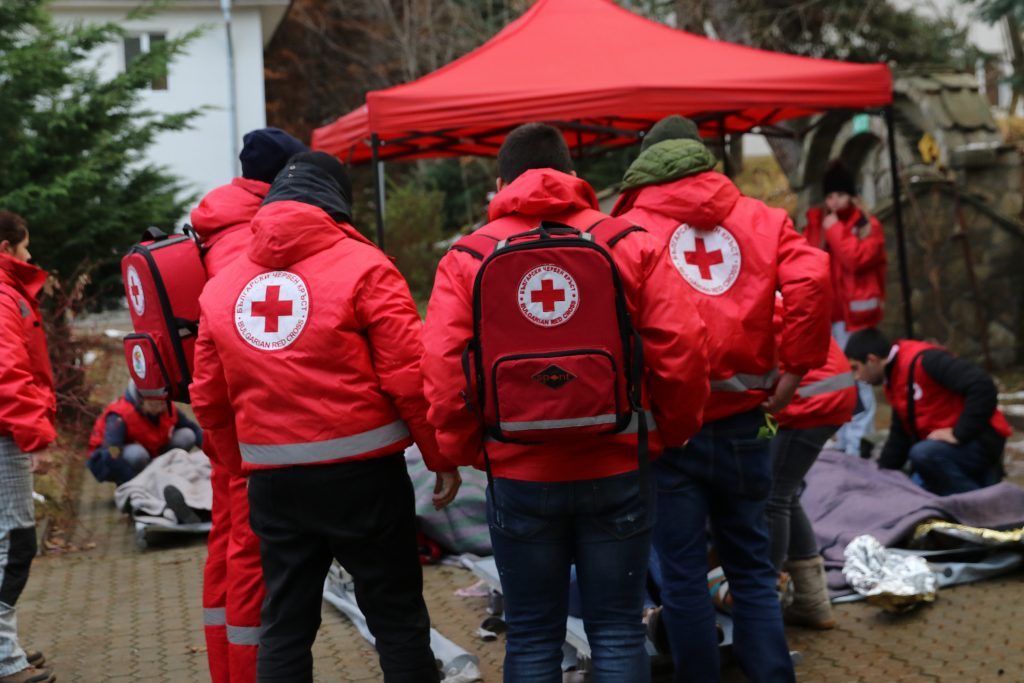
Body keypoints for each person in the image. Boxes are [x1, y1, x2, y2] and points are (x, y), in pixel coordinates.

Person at [423, 123, 710, 682]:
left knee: (531, 636)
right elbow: (683, 347)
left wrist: (460, 451)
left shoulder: (467, 256)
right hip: (619, 460)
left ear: (499, 182)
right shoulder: (628, 242)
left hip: (518, 470)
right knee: (618, 630)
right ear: (573, 177)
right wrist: (672, 431)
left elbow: (439, 368)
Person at [191, 151, 460, 683]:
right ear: (338, 206)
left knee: (285, 625)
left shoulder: (221, 287)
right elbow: (409, 378)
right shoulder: (365, 267)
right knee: (397, 617)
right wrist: (441, 455)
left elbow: (209, 399)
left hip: (274, 485)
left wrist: (240, 464)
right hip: (364, 480)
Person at [612, 115, 831, 683]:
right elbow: (812, 278)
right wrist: (794, 371)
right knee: (753, 571)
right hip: (746, 427)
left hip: (669, 431)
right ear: (703, 158)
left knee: (683, 578)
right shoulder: (762, 218)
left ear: (646, 163)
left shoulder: (628, 229)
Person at [190, 126, 306, 683]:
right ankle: (247, 671)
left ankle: (228, 669)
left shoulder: (216, 221)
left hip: (221, 420)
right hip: (247, 422)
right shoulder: (249, 235)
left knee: (226, 547)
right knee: (249, 554)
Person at [845, 328, 1012, 496]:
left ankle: (979, 505)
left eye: (855, 368)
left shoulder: (924, 360)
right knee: (914, 488)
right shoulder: (894, 377)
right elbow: (901, 433)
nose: (856, 377)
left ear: (872, 359)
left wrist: (959, 433)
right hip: (946, 449)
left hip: (978, 439)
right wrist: (879, 476)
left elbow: (982, 386)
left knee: (922, 454)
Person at [767, 325, 857, 630]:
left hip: (809, 399)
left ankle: (763, 603)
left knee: (772, 497)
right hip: (825, 392)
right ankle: (811, 601)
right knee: (784, 494)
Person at [0, 211, 56, 683]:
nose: (29, 255)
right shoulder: (1, 298)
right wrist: (35, 434)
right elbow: (8, 373)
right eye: (24, 247)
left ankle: (5, 644)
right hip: (6, 434)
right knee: (14, 543)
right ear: (5, 250)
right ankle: (2, 658)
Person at [804, 161, 886, 458]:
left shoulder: (866, 226)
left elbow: (856, 259)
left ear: (851, 195)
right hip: (829, 317)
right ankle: (841, 438)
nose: (833, 201)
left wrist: (835, 230)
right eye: (829, 196)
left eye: (839, 194)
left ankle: (859, 444)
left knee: (859, 380)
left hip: (856, 319)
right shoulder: (818, 224)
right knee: (836, 379)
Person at [85, 382, 202, 485]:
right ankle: (132, 480)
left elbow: (193, 429)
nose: (161, 408)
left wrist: (213, 452)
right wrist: (137, 481)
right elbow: (112, 453)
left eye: (163, 403)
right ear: (141, 401)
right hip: (108, 461)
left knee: (187, 435)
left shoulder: (166, 407)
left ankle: (164, 473)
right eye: (155, 404)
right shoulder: (120, 416)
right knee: (137, 454)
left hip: (151, 452)